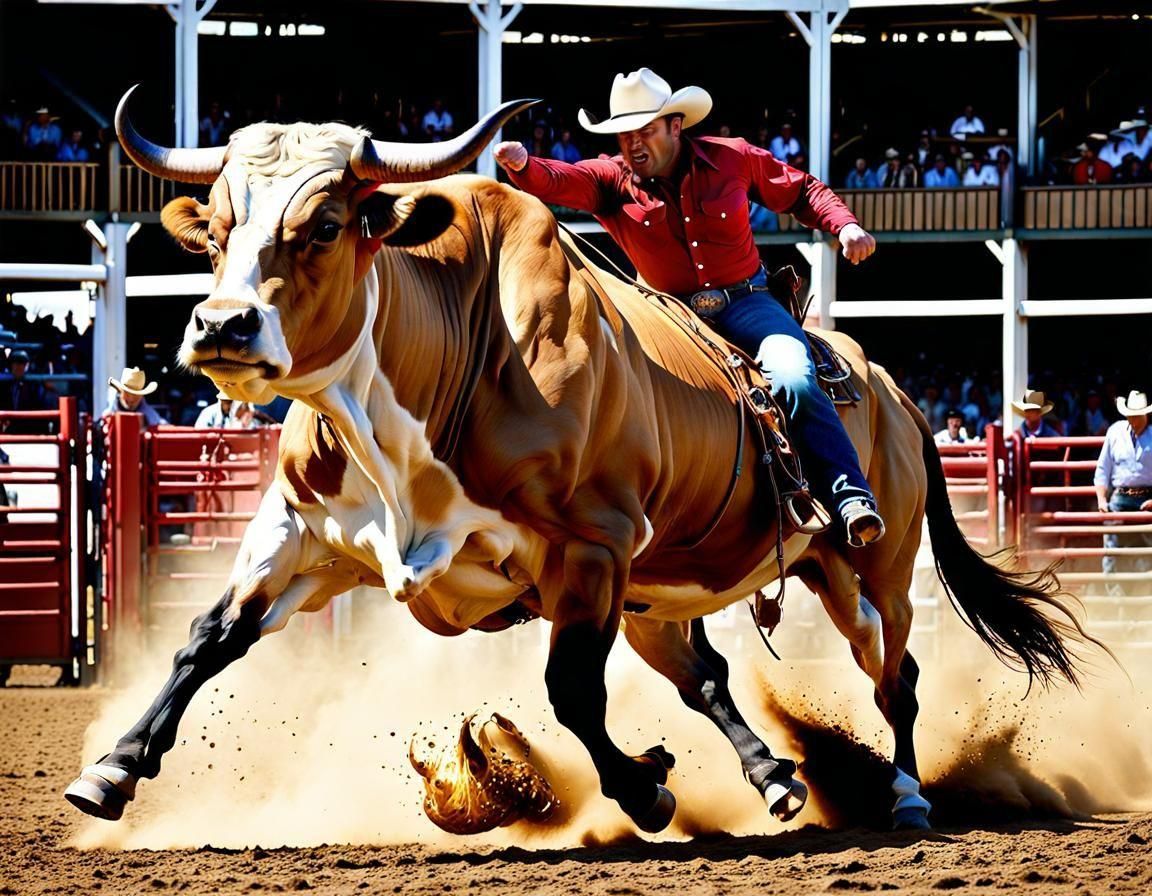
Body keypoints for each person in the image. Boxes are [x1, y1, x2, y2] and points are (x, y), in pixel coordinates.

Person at [493, 67, 884, 546]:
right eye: (624, 135)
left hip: (747, 302)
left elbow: (800, 189)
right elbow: (559, 180)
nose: (633, 144)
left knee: (794, 376)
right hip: (665, 319)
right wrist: (523, 167)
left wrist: (843, 226)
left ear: (676, 126)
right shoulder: (610, 180)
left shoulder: (733, 158)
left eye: (645, 131)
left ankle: (848, 496)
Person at [1094, 390, 1152, 596]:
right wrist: (1102, 499)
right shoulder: (1115, 432)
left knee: (1147, 551)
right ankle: (1116, 599)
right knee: (1111, 548)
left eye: (1137, 415)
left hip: (1148, 497)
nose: (1133, 420)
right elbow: (1102, 468)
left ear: (1146, 414)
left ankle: (1145, 598)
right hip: (1119, 495)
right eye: (1130, 415)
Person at [102, 366, 168, 426]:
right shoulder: (111, 409)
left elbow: (161, 424)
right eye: (127, 393)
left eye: (135, 395)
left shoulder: (148, 413)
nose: (131, 399)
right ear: (120, 391)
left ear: (142, 396)